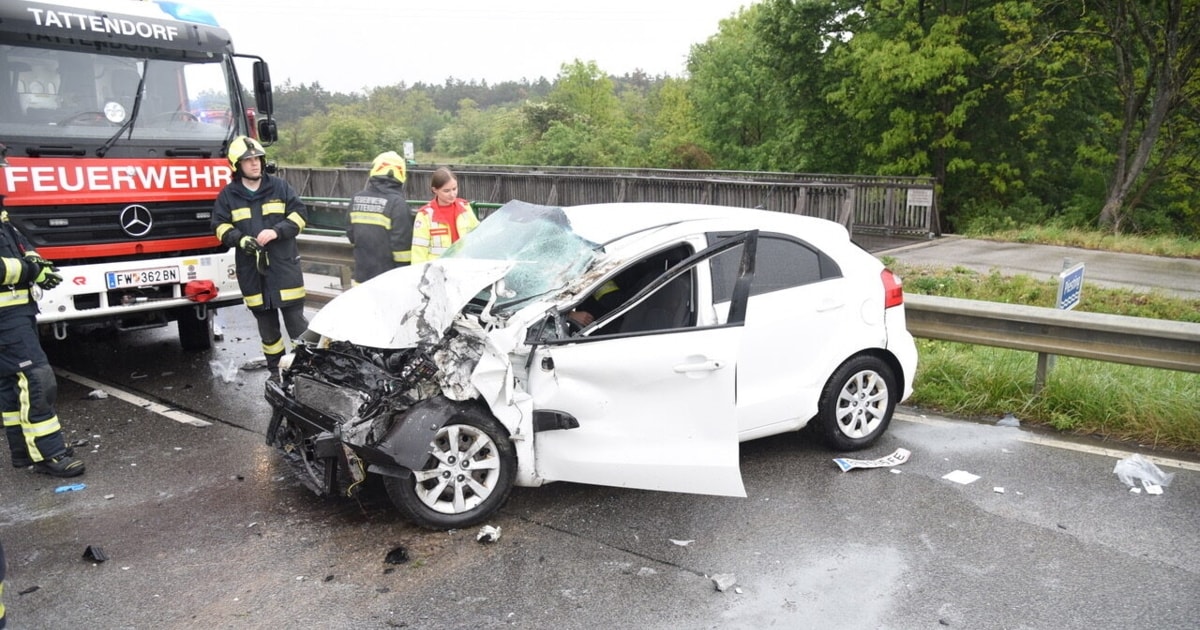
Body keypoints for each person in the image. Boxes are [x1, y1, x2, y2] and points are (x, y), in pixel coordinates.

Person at [0, 143, 84, 477]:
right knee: (37, 378)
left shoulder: (2, 215)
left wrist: (36, 262)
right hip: (5, 318)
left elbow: (21, 245)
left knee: (11, 382)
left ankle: (23, 451)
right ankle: (49, 454)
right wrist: (31, 270)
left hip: (16, 311)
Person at [212, 136, 309, 377]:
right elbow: (219, 226)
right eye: (248, 160)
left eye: (257, 158)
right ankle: (277, 374)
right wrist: (240, 239)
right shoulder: (228, 195)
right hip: (252, 273)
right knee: (268, 331)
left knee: (298, 326)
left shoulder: (280, 187)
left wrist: (277, 231)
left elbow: (300, 215)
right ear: (237, 165)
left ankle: (307, 371)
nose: (255, 164)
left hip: (284, 269)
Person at [346, 151, 412, 284]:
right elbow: (402, 248)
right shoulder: (397, 204)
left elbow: (351, 234)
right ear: (401, 175)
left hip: (361, 277)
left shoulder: (357, 199)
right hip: (388, 282)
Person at [410, 167, 479, 264]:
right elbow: (419, 251)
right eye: (446, 191)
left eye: (454, 189)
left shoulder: (465, 207)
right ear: (435, 190)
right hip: (437, 271)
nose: (452, 194)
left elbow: (478, 235)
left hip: (464, 266)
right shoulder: (425, 215)